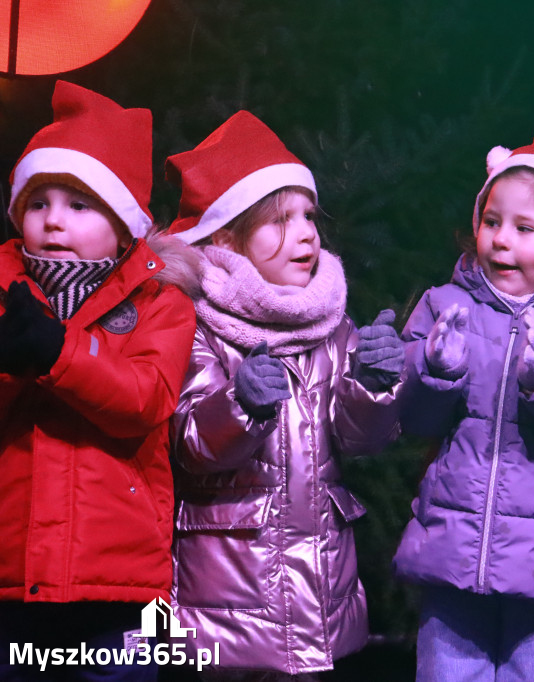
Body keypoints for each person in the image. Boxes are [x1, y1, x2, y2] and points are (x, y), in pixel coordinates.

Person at [164, 111, 404, 680]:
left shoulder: (333, 324)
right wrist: (240, 405)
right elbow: (189, 442)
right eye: (280, 219)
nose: (306, 233)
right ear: (227, 238)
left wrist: (371, 385)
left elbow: (360, 441)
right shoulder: (198, 324)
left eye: (308, 216)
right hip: (226, 602)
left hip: (320, 591)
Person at [392, 126, 534, 682]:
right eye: (491, 222)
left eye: (525, 228)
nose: (501, 240)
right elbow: (413, 419)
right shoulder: (446, 305)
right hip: (452, 553)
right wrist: (435, 372)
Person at [0, 81, 197, 681]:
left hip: (121, 580)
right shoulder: (4, 293)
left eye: (80, 205)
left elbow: (144, 400)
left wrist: (55, 352)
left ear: (123, 224)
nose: (54, 220)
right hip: (12, 575)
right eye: (39, 203)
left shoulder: (160, 303)